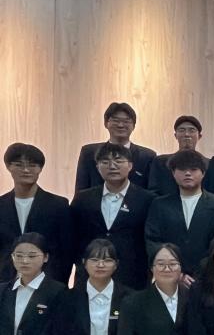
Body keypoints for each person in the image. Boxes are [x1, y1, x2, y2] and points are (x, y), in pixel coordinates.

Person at [70, 142, 156, 289]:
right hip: (89, 275)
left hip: (133, 276)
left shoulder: (147, 200)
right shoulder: (83, 199)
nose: (112, 166)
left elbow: (151, 238)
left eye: (118, 161)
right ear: (97, 167)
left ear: (130, 165)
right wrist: (80, 261)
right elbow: (72, 235)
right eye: (105, 162)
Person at [144, 149, 214, 284]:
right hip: (169, 276)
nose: (187, 173)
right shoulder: (160, 204)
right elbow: (153, 240)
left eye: (193, 169)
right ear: (173, 173)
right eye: (182, 169)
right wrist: (176, 272)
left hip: (208, 278)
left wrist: (201, 272)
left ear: (203, 173)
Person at [0, 143, 73, 283]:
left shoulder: (58, 205)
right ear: (8, 167)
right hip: (5, 282)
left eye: (32, 165)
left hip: (47, 282)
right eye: (19, 165)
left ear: (40, 168)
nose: (26, 170)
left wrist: (57, 284)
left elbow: (66, 251)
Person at [75, 102, 156, 191]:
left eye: (126, 121)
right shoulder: (89, 153)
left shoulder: (148, 156)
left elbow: (151, 192)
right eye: (115, 120)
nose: (120, 125)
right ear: (106, 123)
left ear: (133, 126)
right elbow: (81, 190)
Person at [148, 115, 203, 198]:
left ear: (199, 136)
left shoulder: (207, 163)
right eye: (182, 130)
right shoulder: (160, 162)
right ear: (175, 135)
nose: (186, 134)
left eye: (192, 130)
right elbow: (153, 191)